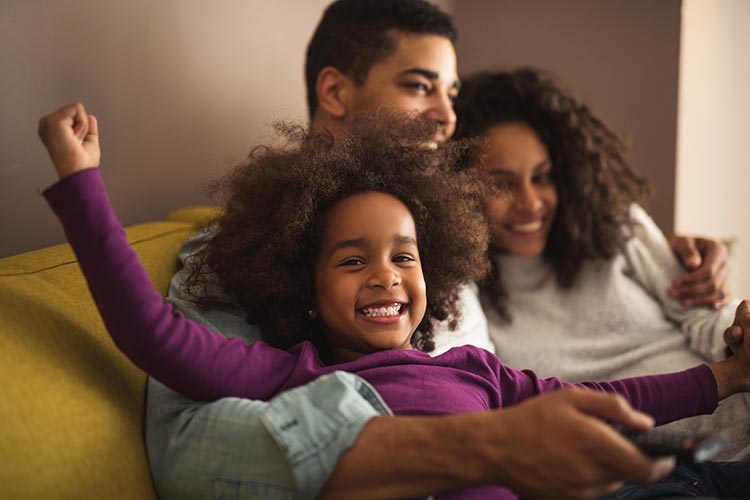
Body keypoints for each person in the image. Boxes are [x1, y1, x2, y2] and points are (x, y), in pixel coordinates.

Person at [142, 1, 734, 499]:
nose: (447, 117)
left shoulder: (444, 234)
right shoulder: (250, 249)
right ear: (335, 91)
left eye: (450, 93)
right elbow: (190, 451)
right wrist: (480, 445)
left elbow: (550, 244)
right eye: (419, 85)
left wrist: (674, 260)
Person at [38, 101, 750, 500]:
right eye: (353, 261)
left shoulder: (478, 370)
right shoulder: (296, 377)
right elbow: (154, 335)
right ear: (305, 291)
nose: (384, 276)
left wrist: (731, 375)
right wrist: (82, 185)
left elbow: (610, 399)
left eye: (403, 257)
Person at [452, 67, 750, 461]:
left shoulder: (612, 227)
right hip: (655, 474)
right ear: (458, 189)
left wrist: (738, 333)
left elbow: (704, 319)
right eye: (502, 184)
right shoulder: (464, 300)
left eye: (543, 177)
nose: (530, 202)